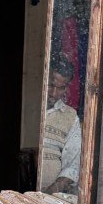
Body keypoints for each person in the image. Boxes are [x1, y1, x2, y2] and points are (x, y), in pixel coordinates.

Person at [41, 56, 81, 195]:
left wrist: (52, 191)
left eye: (60, 88)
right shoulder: (30, 107)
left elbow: (73, 165)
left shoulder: (71, 117)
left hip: (51, 196)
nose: (53, 93)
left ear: (67, 87)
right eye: (50, 85)